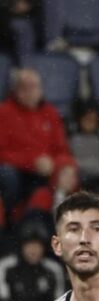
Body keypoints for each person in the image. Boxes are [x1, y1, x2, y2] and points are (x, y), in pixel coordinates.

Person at [0, 68, 76, 218]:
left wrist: (60, 165)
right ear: (15, 90)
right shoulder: (4, 113)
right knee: (8, 175)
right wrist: (32, 162)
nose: (30, 92)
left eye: (34, 87)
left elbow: (62, 150)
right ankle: (10, 222)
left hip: (47, 170)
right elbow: (2, 153)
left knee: (72, 172)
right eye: (24, 87)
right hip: (18, 171)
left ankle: (57, 221)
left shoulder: (51, 113)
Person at [0, 227, 64, 301]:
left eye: (37, 246)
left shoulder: (53, 269)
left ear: (43, 248)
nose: (33, 250)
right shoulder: (6, 267)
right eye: (29, 246)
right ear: (22, 247)